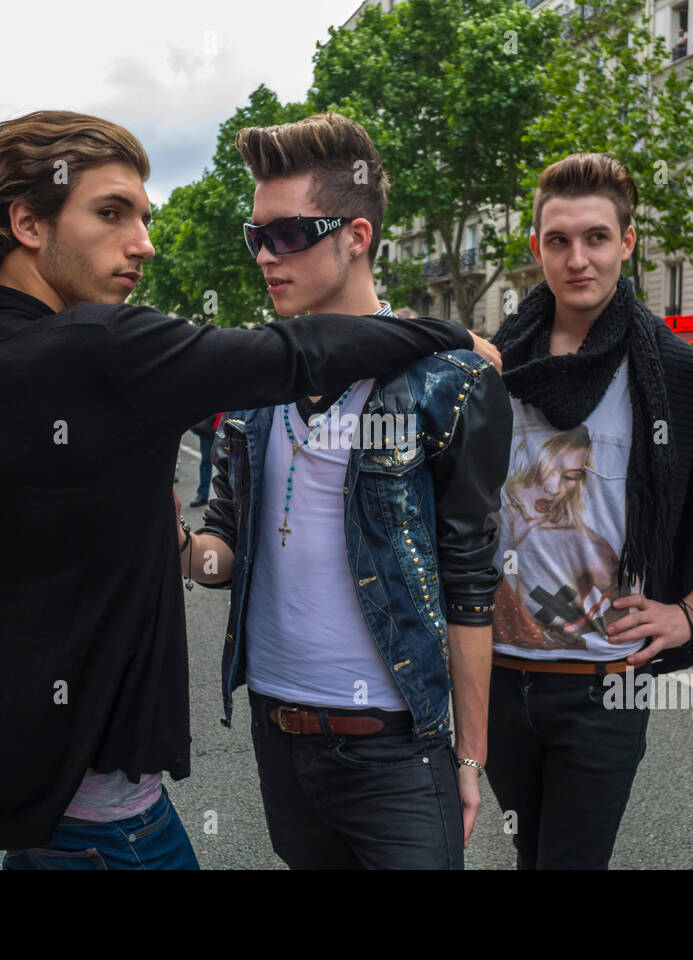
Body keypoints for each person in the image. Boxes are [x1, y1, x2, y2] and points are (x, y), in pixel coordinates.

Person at [0, 110, 494, 869]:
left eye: (143, 217)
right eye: (112, 213)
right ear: (28, 223)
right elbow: (293, 354)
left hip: (34, 821)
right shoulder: (108, 347)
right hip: (117, 835)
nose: (143, 242)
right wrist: (447, 334)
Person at [186, 113, 511, 869]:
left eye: (288, 234)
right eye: (255, 235)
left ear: (357, 235)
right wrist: (170, 543)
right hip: (278, 735)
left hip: (396, 748)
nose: (266, 255)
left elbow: (468, 581)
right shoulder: (257, 383)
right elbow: (225, 553)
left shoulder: (449, 384)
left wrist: (470, 753)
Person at [487, 153, 693, 869]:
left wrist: (691, 610)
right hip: (497, 677)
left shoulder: (679, 374)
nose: (577, 258)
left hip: (605, 688)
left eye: (596, 238)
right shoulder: (493, 368)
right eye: (558, 240)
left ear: (627, 242)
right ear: (537, 248)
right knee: (528, 854)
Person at [187, 410, 221, 507]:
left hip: (222, 424)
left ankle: (223, 496)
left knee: (224, 463)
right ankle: (203, 494)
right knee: (206, 461)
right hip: (210, 425)